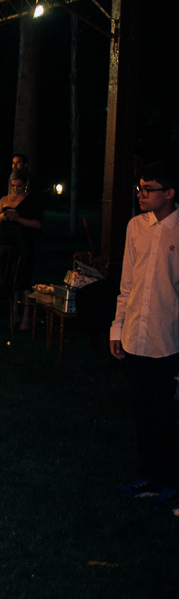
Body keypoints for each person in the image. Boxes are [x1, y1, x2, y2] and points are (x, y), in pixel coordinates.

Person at [110, 161, 179, 509]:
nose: (141, 194)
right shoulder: (136, 226)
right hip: (136, 335)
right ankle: (148, 475)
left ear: (169, 193)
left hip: (168, 339)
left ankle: (170, 479)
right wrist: (118, 326)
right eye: (139, 188)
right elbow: (127, 283)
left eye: (148, 189)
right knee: (142, 410)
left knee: (167, 412)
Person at [0, 171, 41, 330]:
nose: (16, 189)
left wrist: (18, 218)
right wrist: (2, 217)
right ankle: (13, 315)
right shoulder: (4, 199)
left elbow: (37, 224)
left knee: (24, 281)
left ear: (25, 184)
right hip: (7, 245)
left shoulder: (31, 200)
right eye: (13, 186)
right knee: (10, 280)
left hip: (23, 243)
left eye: (19, 186)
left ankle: (26, 317)